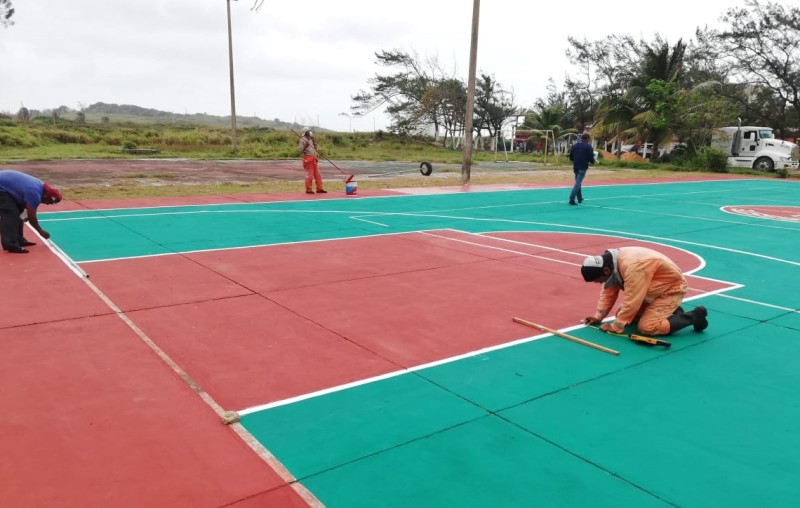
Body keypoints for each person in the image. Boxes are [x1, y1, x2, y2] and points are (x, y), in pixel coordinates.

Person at [580, 246, 708, 336]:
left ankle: (695, 316)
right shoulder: (611, 264)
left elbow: (632, 300)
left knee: (647, 327)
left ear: (606, 271)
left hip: (671, 290)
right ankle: (673, 311)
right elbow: (609, 291)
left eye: (599, 280)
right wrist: (598, 316)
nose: (601, 283)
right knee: (623, 314)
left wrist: (616, 326)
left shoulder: (633, 267)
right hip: (653, 291)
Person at [0, 169, 63, 254]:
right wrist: (40, 231)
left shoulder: (40, 188)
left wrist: (24, 214)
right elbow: (31, 218)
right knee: (11, 213)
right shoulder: (35, 194)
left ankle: (19, 240)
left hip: (5, 186)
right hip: (2, 188)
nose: (48, 204)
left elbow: (25, 208)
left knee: (19, 212)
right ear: (46, 195)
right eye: (49, 202)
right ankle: (10, 244)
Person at [568, 132, 596, 205]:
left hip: (575, 166)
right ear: (587, 139)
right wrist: (593, 161)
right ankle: (572, 198)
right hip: (583, 167)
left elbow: (571, 156)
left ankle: (579, 198)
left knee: (578, 182)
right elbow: (590, 157)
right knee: (578, 183)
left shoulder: (575, 145)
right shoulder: (588, 146)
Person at [298, 128, 326, 195]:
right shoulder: (302, 139)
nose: (310, 132)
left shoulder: (311, 139)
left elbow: (315, 149)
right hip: (308, 158)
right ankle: (308, 189)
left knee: (318, 175)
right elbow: (300, 150)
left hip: (314, 158)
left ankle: (319, 189)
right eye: (308, 131)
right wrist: (305, 145)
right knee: (309, 175)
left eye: (310, 131)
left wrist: (314, 143)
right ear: (305, 132)